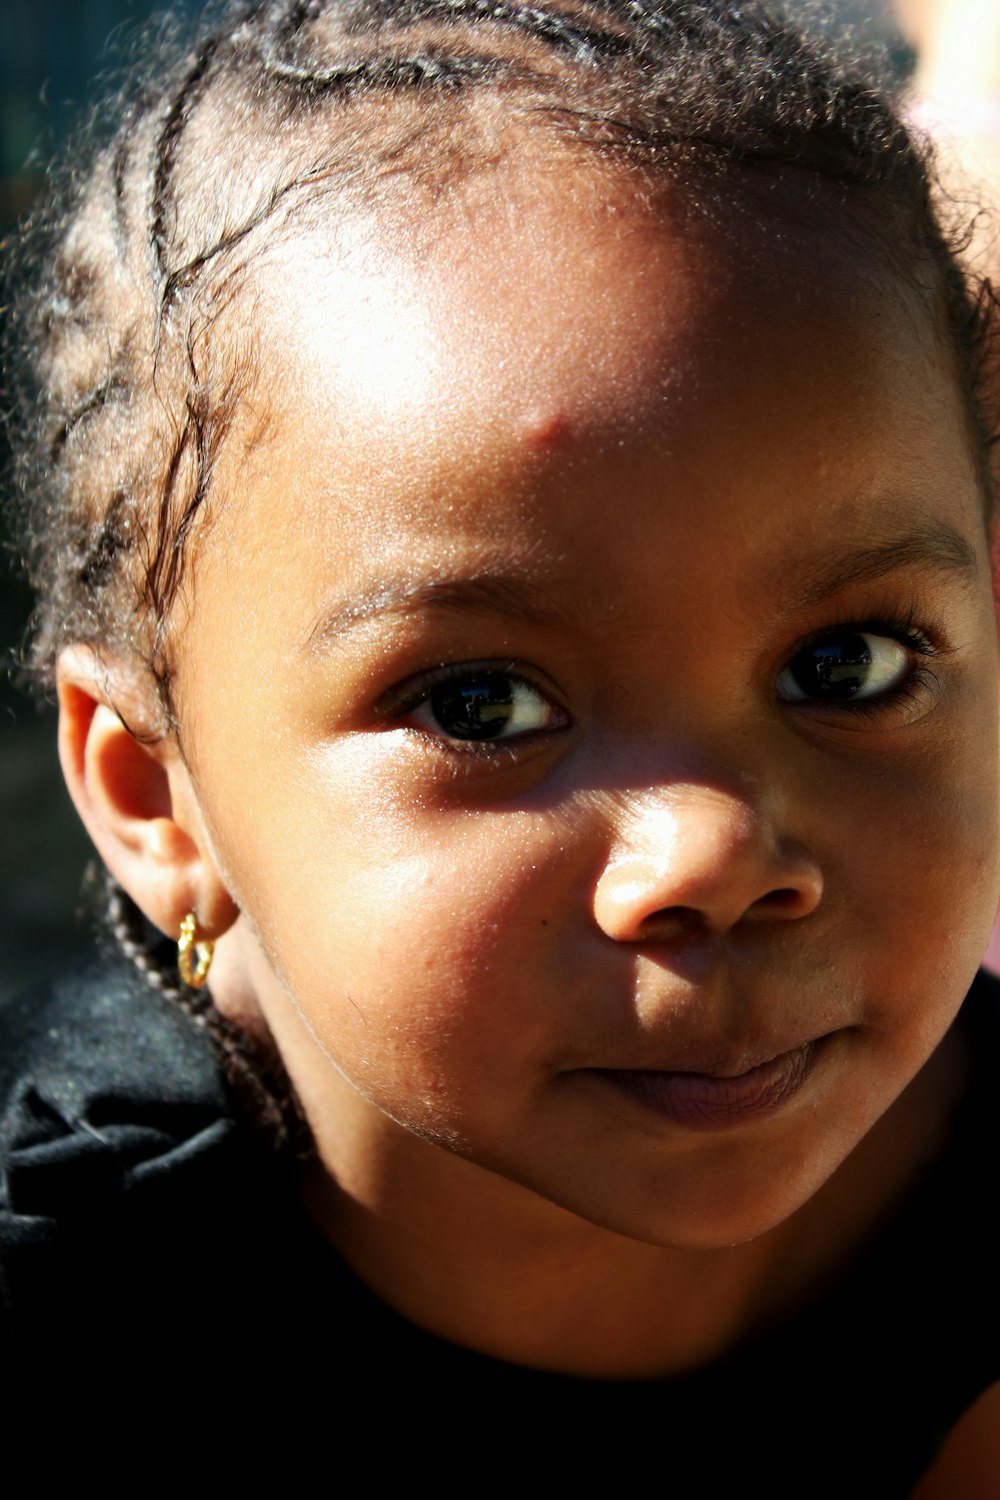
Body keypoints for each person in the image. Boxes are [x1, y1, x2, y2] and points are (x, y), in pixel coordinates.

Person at [1, 0, 997, 1488]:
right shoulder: (71, 1303)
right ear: (155, 795)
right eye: (482, 706)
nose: (716, 852)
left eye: (843, 666)